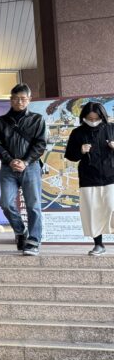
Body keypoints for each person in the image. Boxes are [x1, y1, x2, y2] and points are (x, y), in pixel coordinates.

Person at [0, 84, 48, 256]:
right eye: (16, 98)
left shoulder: (37, 120)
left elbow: (40, 144)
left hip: (30, 167)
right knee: (6, 203)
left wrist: (25, 161)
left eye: (23, 98)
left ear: (29, 100)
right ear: (10, 100)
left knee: (33, 205)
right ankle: (20, 230)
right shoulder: (0, 122)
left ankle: (34, 239)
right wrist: (10, 161)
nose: (20, 102)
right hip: (8, 168)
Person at [63, 102, 114, 256]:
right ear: (84, 117)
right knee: (92, 211)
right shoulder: (77, 133)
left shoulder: (112, 128)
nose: (93, 121)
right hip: (88, 178)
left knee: (112, 208)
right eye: (89, 118)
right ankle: (98, 244)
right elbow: (70, 155)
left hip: (111, 176)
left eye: (96, 118)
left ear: (102, 116)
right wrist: (80, 150)